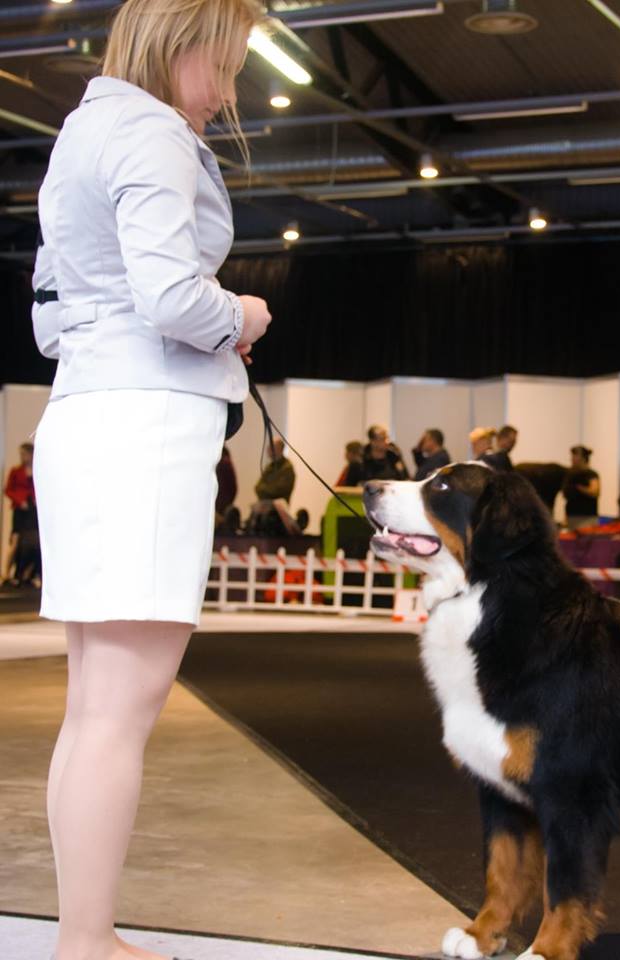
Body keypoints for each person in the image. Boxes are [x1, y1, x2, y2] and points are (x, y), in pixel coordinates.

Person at [29, 4, 271, 960]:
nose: (228, 91)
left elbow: (51, 310)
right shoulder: (153, 132)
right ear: (184, 46)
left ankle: (85, 934)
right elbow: (173, 298)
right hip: (144, 426)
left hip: (83, 413)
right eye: (227, 65)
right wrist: (245, 312)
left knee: (94, 709)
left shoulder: (83, 130)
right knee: (117, 713)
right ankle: (87, 945)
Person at [4, 441, 38, 586]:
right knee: (16, 541)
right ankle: (6, 573)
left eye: (25, 454)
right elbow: (8, 490)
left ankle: (29, 574)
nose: (23, 457)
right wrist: (20, 500)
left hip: (33, 510)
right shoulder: (16, 471)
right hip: (20, 511)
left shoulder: (38, 470)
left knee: (34, 542)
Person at [563, 445, 600, 529]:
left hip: (587, 518)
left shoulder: (591, 474)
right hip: (571, 516)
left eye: (575, 456)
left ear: (583, 458)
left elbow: (594, 491)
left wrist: (578, 487)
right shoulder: (570, 474)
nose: (572, 458)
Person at [255, 437, 295, 503]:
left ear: (280, 449)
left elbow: (277, 491)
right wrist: (266, 489)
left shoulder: (287, 468)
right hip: (265, 507)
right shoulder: (270, 466)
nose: (268, 449)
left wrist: (265, 489)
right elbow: (257, 487)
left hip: (278, 510)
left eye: (272, 447)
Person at [215, 445, 237, 520]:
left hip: (219, 509)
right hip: (220, 508)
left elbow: (231, 489)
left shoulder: (223, 462)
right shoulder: (224, 461)